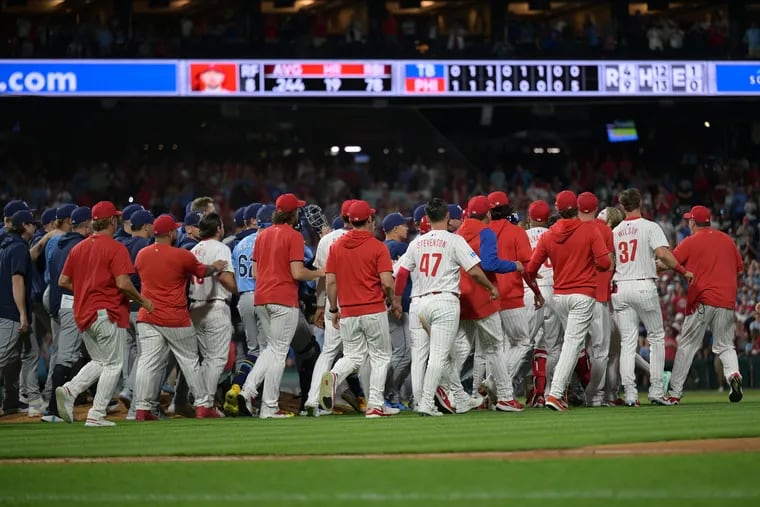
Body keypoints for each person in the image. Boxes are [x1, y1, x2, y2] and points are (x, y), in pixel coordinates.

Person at [395, 198, 499, 417]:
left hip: (420, 303)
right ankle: (426, 403)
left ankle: (459, 397)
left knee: (440, 356)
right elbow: (474, 271)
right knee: (439, 357)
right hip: (444, 301)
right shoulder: (454, 240)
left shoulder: (416, 242)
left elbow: (402, 273)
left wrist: (396, 299)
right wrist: (490, 287)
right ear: (447, 217)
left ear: (428, 218)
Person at [55, 201, 153, 427]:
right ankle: (96, 414)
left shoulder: (78, 248)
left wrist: (88, 291)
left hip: (83, 312)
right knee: (114, 364)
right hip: (106, 311)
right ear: (111, 221)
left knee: (100, 360)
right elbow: (123, 283)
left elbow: (63, 281)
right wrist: (144, 301)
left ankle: (71, 389)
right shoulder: (115, 247)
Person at [133, 214, 229, 420]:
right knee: (190, 360)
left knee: (147, 362)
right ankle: (203, 405)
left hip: (147, 316)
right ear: (170, 233)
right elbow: (203, 272)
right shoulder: (180, 255)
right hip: (174, 315)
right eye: (174, 230)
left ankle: (142, 408)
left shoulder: (141, 254)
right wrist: (217, 267)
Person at [525, 190, 611, 412]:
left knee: (565, 345)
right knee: (573, 344)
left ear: (558, 209)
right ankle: (554, 394)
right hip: (582, 294)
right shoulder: (590, 230)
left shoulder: (548, 235)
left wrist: (535, 291)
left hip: (558, 296)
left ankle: (556, 392)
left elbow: (530, 270)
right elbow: (604, 263)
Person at [238, 193, 323, 419]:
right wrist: (320, 272)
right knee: (279, 352)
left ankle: (247, 391)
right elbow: (297, 272)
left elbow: (255, 272)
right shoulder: (293, 236)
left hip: (261, 297)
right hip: (283, 298)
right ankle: (269, 407)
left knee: (270, 349)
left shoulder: (262, 235)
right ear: (293, 213)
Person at [611, 188, 693, 407]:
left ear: (622, 206)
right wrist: (683, 271)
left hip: (620, 287)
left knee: (628, 344)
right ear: (640, 203)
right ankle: (656, 391)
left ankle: (630, 394)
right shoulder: (650, 226)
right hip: (643, 285)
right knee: (656, 338)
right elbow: (664, 254)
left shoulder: (615, 231)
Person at [320, 200, 398, 418]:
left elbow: (331, 283)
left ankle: (334, 375)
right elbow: (386, 282)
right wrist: (391, 299)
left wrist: (334, 310)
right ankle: (374, 404)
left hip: (348, 312)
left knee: (354, 355)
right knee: (381, 357)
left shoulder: (336, 247)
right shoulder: (377, 246)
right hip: (373, 308)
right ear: (370, 220)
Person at [667, 205, 744, 404]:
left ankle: (675, 393)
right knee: (725, 345)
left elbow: (670, 262)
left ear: (693, 222)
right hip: (726, 300)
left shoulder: (690, 242)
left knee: (687, 346)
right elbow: (740, 270)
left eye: (689, 220)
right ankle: (733, 375)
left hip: (702, 299)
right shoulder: (727, 240)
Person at [457, 195, 524, 412]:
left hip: (461, 297)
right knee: (494, 348)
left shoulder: (458, 232)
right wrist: (514, 265)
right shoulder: (486, 231)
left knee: (461, 350)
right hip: (482, 297)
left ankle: (455, 394)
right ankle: (505, 396)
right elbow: (489, 263)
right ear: (487, 214)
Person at [303, 199, 357, 415]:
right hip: (357, 301)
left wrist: (320, 305)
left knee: (328, 351)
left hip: (332, 302)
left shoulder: (326, 241)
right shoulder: (364, 238)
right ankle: (373, 399)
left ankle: (312, 398)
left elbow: (323, 278)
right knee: (361, 353)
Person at [488, 191, 543, 396]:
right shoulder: (516, 232)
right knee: (521, 342)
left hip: (487, 296)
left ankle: (488, 393)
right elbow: (527, 269)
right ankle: (495, 382)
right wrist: (536, 292)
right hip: (511, 295)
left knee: (494, 348)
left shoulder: (482, 231)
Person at [42, 207, 92, 423]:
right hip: (72, 305)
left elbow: (54, 279)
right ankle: (52, 410)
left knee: (82, 354)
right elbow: (66, 280)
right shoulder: (78, 246)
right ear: (87, 224)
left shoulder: (60, 243)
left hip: (59, 304)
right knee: (66, 357)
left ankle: (82, 399)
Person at [189, 213, 237, 417]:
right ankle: (205, 403)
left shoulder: (193, 250)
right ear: (218, 228)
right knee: (217, 358)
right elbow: (225, 278)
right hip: (216, 305)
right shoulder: (220, 248)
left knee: (206, 359)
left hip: (195, 307)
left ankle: (201, 401)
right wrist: (239, 290)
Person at [576, 192, 615, 406]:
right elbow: (609, 262)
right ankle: (595, 395)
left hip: (570, 294)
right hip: (598, 294)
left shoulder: (569, 226)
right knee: (601, 350)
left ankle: (558, 391)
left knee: (572, 347)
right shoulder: (604, 229)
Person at [524, 200, 561, 408]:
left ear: (529, 218)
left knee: (525, 344)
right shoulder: (555, 234)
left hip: (531, 291)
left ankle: (505, 390)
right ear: (548, 218)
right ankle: (548, 393)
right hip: (554, 290)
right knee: (552, 346)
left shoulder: (523, 235)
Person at [118, 209, 155, 417]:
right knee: (144, 354)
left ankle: (126, 385)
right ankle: (130, 389)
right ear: (147, 226)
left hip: (122, 304)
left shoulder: (121, 244)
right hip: (140, 303)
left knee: (128, 351)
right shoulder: (146, 245)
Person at [0, 209, 36, 416]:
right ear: (24, 226)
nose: (34, 226)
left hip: (5, 308)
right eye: (32, 224)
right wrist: (22, 313)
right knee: (3, 356)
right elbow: (17, 280)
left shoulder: (7, 245)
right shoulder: (18, 249)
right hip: (11, 312)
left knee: (17, 357)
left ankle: (12, 401)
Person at [381, 212, 412, 410]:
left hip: (386, 305)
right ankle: (387, 393)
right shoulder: (400, 248)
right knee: (404, 353)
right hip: (396, 307)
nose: (407, 228)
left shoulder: (381, 247)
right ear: (394, 229)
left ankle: (390, 394)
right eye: (403, 225)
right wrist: (394, 302)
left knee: (399, 353)